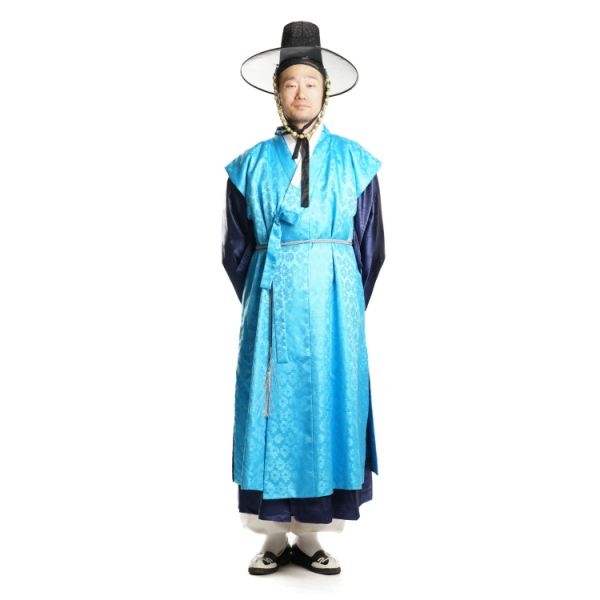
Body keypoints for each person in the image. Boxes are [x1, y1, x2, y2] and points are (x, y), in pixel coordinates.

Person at [222, 21, 385, 575]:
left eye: (310, 83)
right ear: (277, 90)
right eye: (290, 82)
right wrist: (268, 298)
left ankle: (313, 535)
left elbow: (371, 246)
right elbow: (236, 250)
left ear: (325, 90)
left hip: (336, 312)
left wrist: (340, 301)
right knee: (267, 408)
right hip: (269, 308)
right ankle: (271, 536)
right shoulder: (248, 166)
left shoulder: (356, 162)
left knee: (329, 403)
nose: (300, 93)